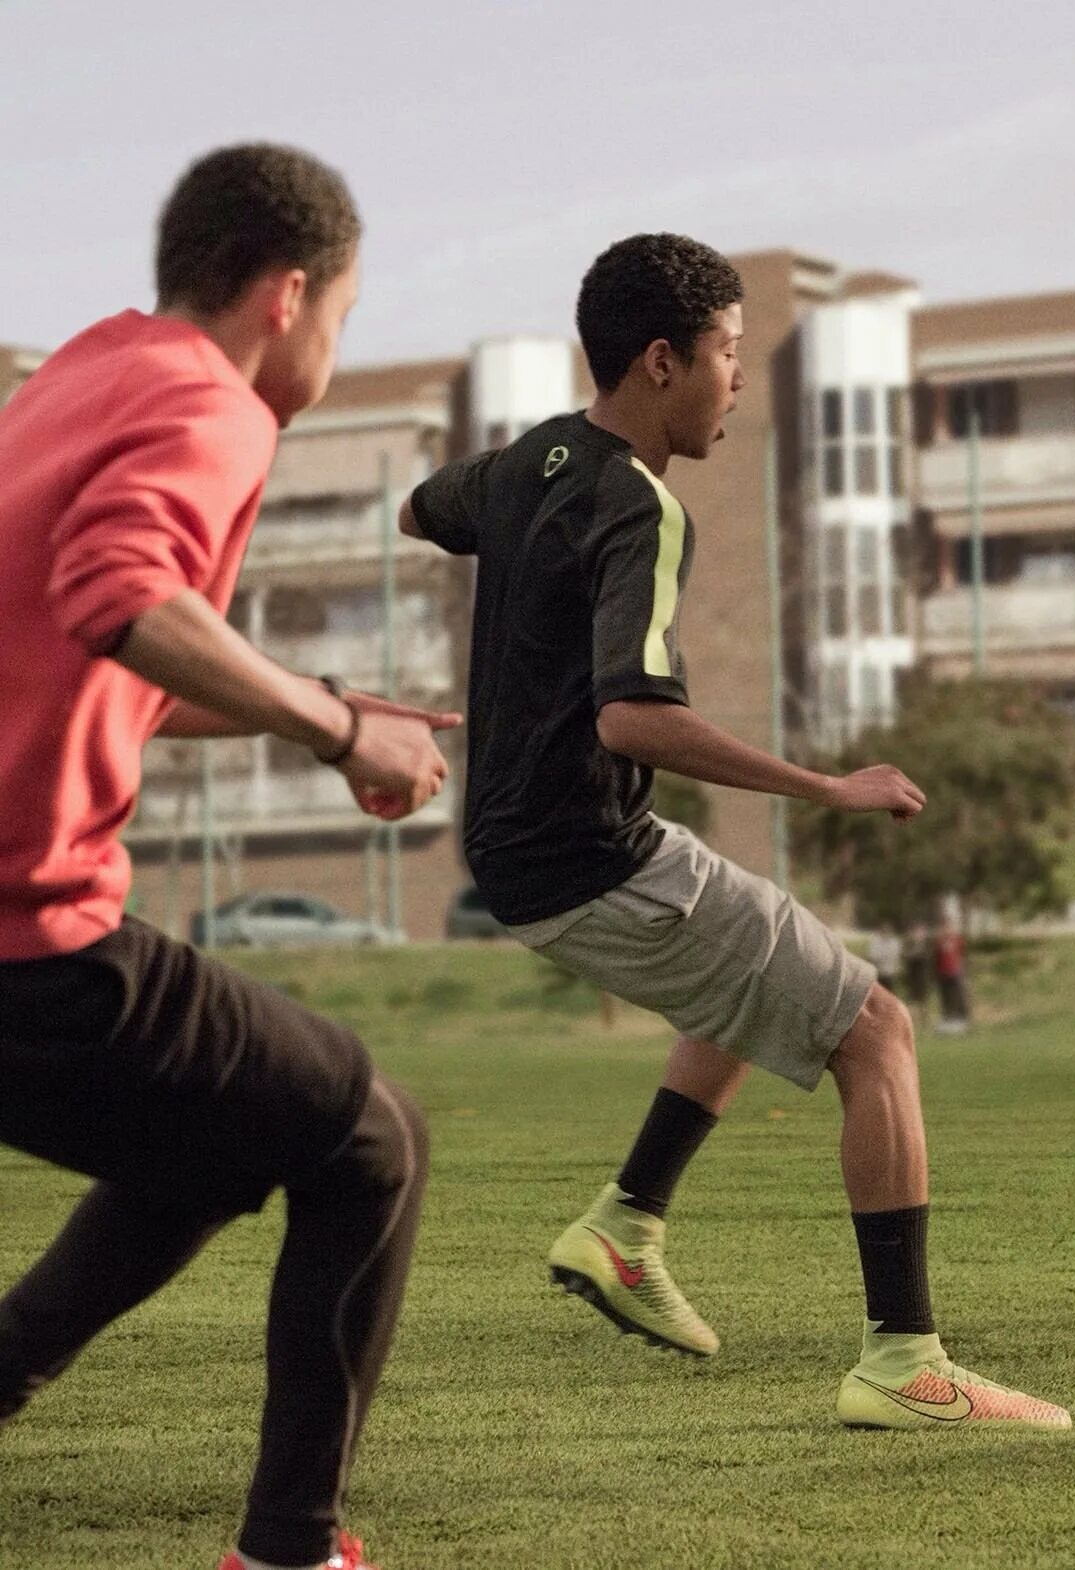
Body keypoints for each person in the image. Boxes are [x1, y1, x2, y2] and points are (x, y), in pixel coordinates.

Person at [403, 233, 1068, 1431]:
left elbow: (425, 507)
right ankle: (904, 1360)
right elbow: (632, 718)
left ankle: (624, 1225)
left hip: (524, 848)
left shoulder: (528, 462)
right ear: (661, 362)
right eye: (727, 353)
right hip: (584, 856)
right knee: (876, 1029)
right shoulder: (640, 508)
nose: (737, 379)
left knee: (754, 981)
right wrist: (827, 786)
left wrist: (518, 603)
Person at [0, 145, 451, 1570]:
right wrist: (334, 732)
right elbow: (122, 593)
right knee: (372, 1136)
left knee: (217, 1134)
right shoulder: (211, 398)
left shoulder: (79, 373)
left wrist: (335, 713)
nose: (331, 343)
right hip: (32, 947)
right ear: (290, 291)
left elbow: (94, 639)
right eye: (346, 314)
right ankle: (290, 1550)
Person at [933, 921, 971, 1034]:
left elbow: (963, 955)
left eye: (948, 927)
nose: (947, 929)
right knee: (945, 998)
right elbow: (936, 958)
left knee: (957, 996)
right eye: (945, 927)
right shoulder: (939, 941)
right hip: (942, 973)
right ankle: (947, 1019)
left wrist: (964, 971)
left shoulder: (957, 939)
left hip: (955, 972)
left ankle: (960, 1020)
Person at [868, 926, 905, 996]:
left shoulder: (894, 942)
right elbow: (873, 956)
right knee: (878, 992)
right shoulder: (876, 942)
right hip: (879, 971)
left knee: (889, 991)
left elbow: (896, 955)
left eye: (887, 931)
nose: (885, 932)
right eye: (883, 931)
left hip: (889, 971)